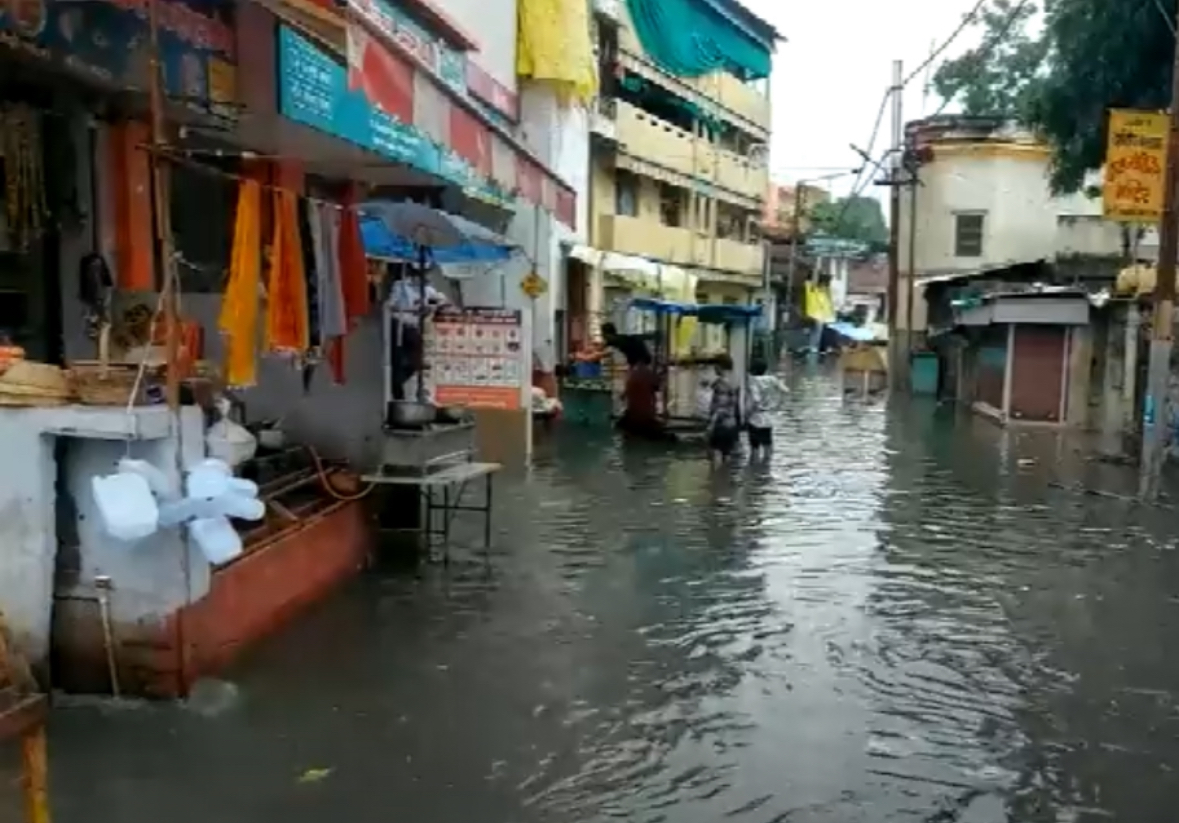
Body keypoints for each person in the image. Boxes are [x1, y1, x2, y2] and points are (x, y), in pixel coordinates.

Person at [387, 266, 448, 402]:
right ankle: (397, 392)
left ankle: (399, 381)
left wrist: (429, 308)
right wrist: (405, 309)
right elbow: (391, 305)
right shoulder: (401, 286)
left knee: (416, 362)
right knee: (397, 361)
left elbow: (439, 301)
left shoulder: (428, 290)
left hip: (415, 328)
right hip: (399, 326)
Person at [617, 351, 672, 441]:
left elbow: (622, 396)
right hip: (646, 417)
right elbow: (657, 386)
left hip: (632, 416)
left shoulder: (631, 374)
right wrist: (662, 376)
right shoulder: (646, 373)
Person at [746, 357, 787, 460]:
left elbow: (755, 400)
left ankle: (754, 471)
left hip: (755, 418)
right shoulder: (772, 379)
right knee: (768, 445)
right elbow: (785, 390)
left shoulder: (753, 381)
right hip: (768, 418)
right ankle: (766, 469)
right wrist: (778, 405)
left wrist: (747, 413)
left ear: (753, 370)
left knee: (754, 448)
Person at [706, 354, 741, 467]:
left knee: (714, 454)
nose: (714, 369)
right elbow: (737, 406)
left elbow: (719, 407)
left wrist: (710, 425)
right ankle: (725, 479)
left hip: (720, 425)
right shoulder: (736, 381)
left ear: (719, 366)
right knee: (727, 455)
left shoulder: (720, 384)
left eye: (715, 366)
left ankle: (715, 481)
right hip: (731, 424)